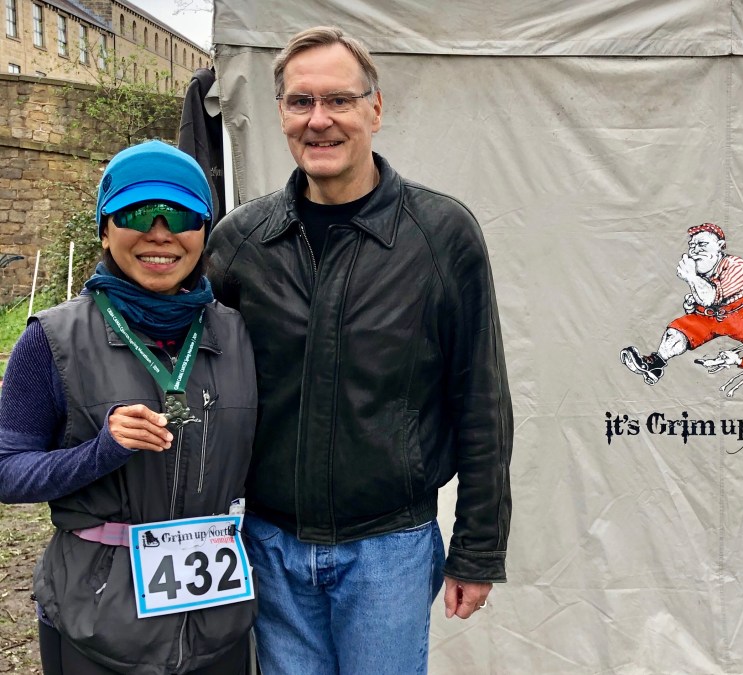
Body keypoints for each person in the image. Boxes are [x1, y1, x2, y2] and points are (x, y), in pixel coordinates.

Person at [206, 26, 513, 674]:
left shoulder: (440, 236)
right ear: (281, 113)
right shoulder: (241, 243)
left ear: (375, 109)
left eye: (339, 100)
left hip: (389, 549)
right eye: (301, 101)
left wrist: (478, 547)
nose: (319, 119)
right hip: (270, 545)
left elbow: (480, 397)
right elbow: (186, 359)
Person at [0, 140, 258, 674]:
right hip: (98, 626)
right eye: (138, 214)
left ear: (204, 231)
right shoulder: (52, 339)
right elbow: (6, 470)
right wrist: (100, 452)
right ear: (104, 229)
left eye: (181, 216)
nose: (160, 233)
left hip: (219, 624)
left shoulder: (240, 333)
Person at [621, 222, 743, 384]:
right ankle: (656, 364)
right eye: (692, 245)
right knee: (678, 330)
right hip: (711, 318)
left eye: (702, 244)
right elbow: (704, 302)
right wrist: (692, 306)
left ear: (720, 246)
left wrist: (691, 277)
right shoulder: (703, 273)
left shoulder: (737, 266)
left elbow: (710, 298)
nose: (694, 250)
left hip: (740, 318)